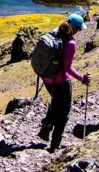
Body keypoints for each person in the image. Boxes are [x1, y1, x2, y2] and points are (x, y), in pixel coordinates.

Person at [38, 13, 90, 152]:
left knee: (55, 102)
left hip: (47, 78)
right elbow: (67, 68)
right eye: (79, 29)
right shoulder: (71, 43)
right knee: (64, 112)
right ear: (73, 28)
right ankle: (55, 143)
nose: (79, 32)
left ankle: (45, 130)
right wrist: (82, 78)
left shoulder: (54, 34)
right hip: (61, 81)